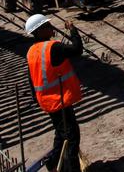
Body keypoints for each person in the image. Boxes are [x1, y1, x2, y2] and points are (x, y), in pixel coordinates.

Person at [25, 14, 83, 172]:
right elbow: (77, 49)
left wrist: (37, 100)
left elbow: (31, 80)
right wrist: (73, 31)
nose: (51, 27)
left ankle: (53, 163)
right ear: (40, 30)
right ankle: (72, 169)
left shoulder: (31, 52)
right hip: (60, 99)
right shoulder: (53, 48)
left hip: (47, 101)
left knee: (61, 133)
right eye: (48, 25)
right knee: (71, 137)